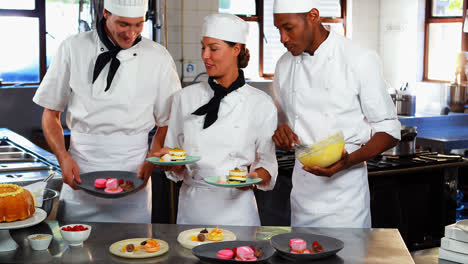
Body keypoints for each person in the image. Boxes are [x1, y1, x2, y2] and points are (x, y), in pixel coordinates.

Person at [32, 0, 181, 223]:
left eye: (138, 25)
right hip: (81, 170)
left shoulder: (158, 56)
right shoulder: (73, 47)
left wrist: (153, 155)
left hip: (134, 173)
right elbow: (50, 114)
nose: (131, 33)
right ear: (106, 13)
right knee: (78, 250)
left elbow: (168, 119)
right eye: (123, 24)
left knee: (133, 246)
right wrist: (62, 157)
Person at [271, 0, 401, 228]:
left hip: (346, 203)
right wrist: (281, 131)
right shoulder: (283, 65)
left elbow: (389, 130)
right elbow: (284, 118)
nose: (283, 38)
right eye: (278, 30)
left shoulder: (358, 58)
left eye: (288, 28)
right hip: (302, 197)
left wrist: (348, 161)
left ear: (313, 16)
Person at [154, 13, 278, 226]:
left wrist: (252, 178)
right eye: (203, 48)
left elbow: (267, 164)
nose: (205, 55)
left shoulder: (261, 103)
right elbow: (175, 160)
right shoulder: (185, 98)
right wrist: (170, 165)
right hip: (193, 208)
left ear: (236, 49)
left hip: (238, 212)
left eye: (213, 48)